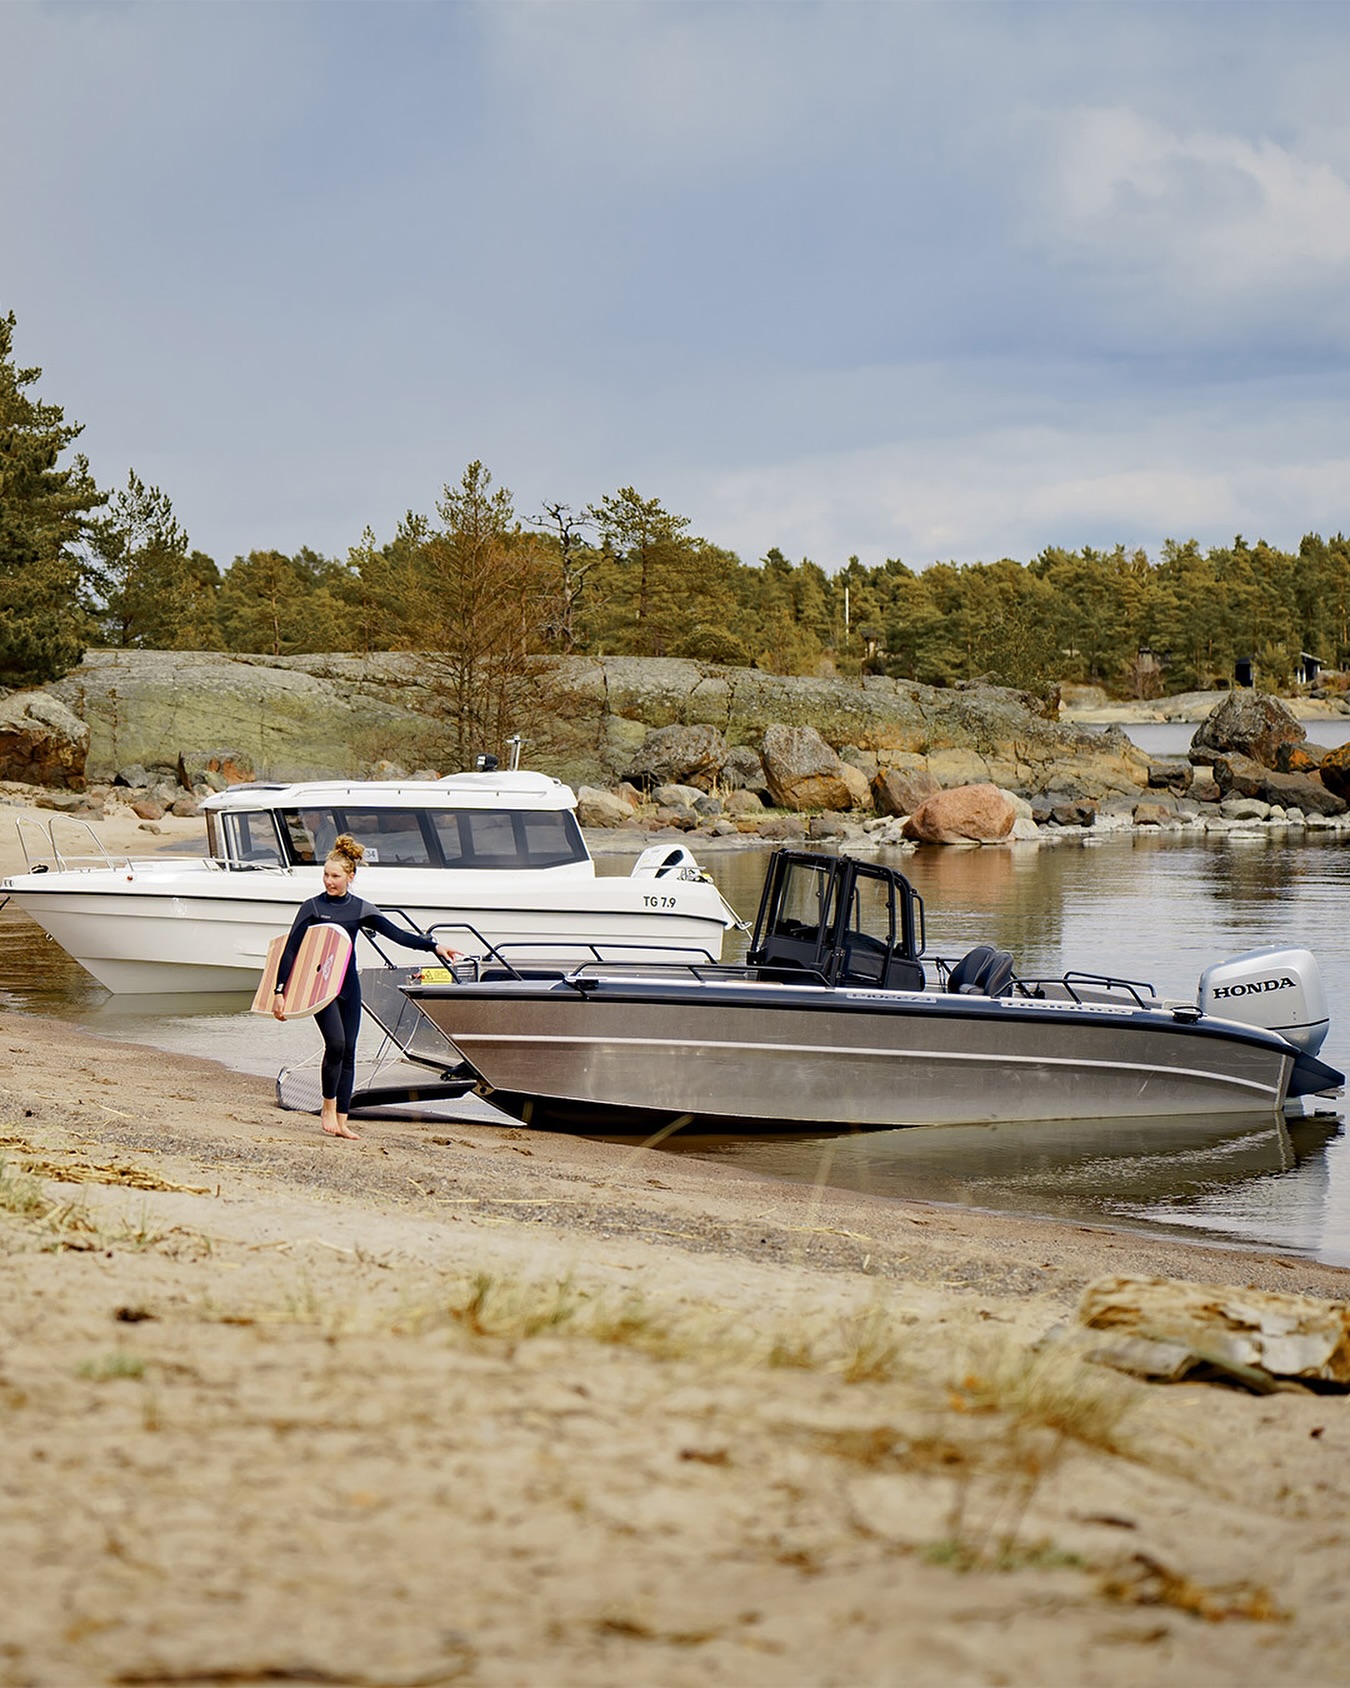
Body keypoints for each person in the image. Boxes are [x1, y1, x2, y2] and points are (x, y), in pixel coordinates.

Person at [272, 833, 459, 1140]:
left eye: (335, 876)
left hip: (348, 984)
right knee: (336, 1045)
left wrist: (434, 946)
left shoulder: (360, 909)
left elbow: (398, 936)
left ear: (350, 876)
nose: (329, 881)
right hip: (321, 988)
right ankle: (328, 1109)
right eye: (326, 875)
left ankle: (342, 1120)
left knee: (349, 1051)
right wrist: (280, 992)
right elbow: (291, 950)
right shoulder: (312, 907)